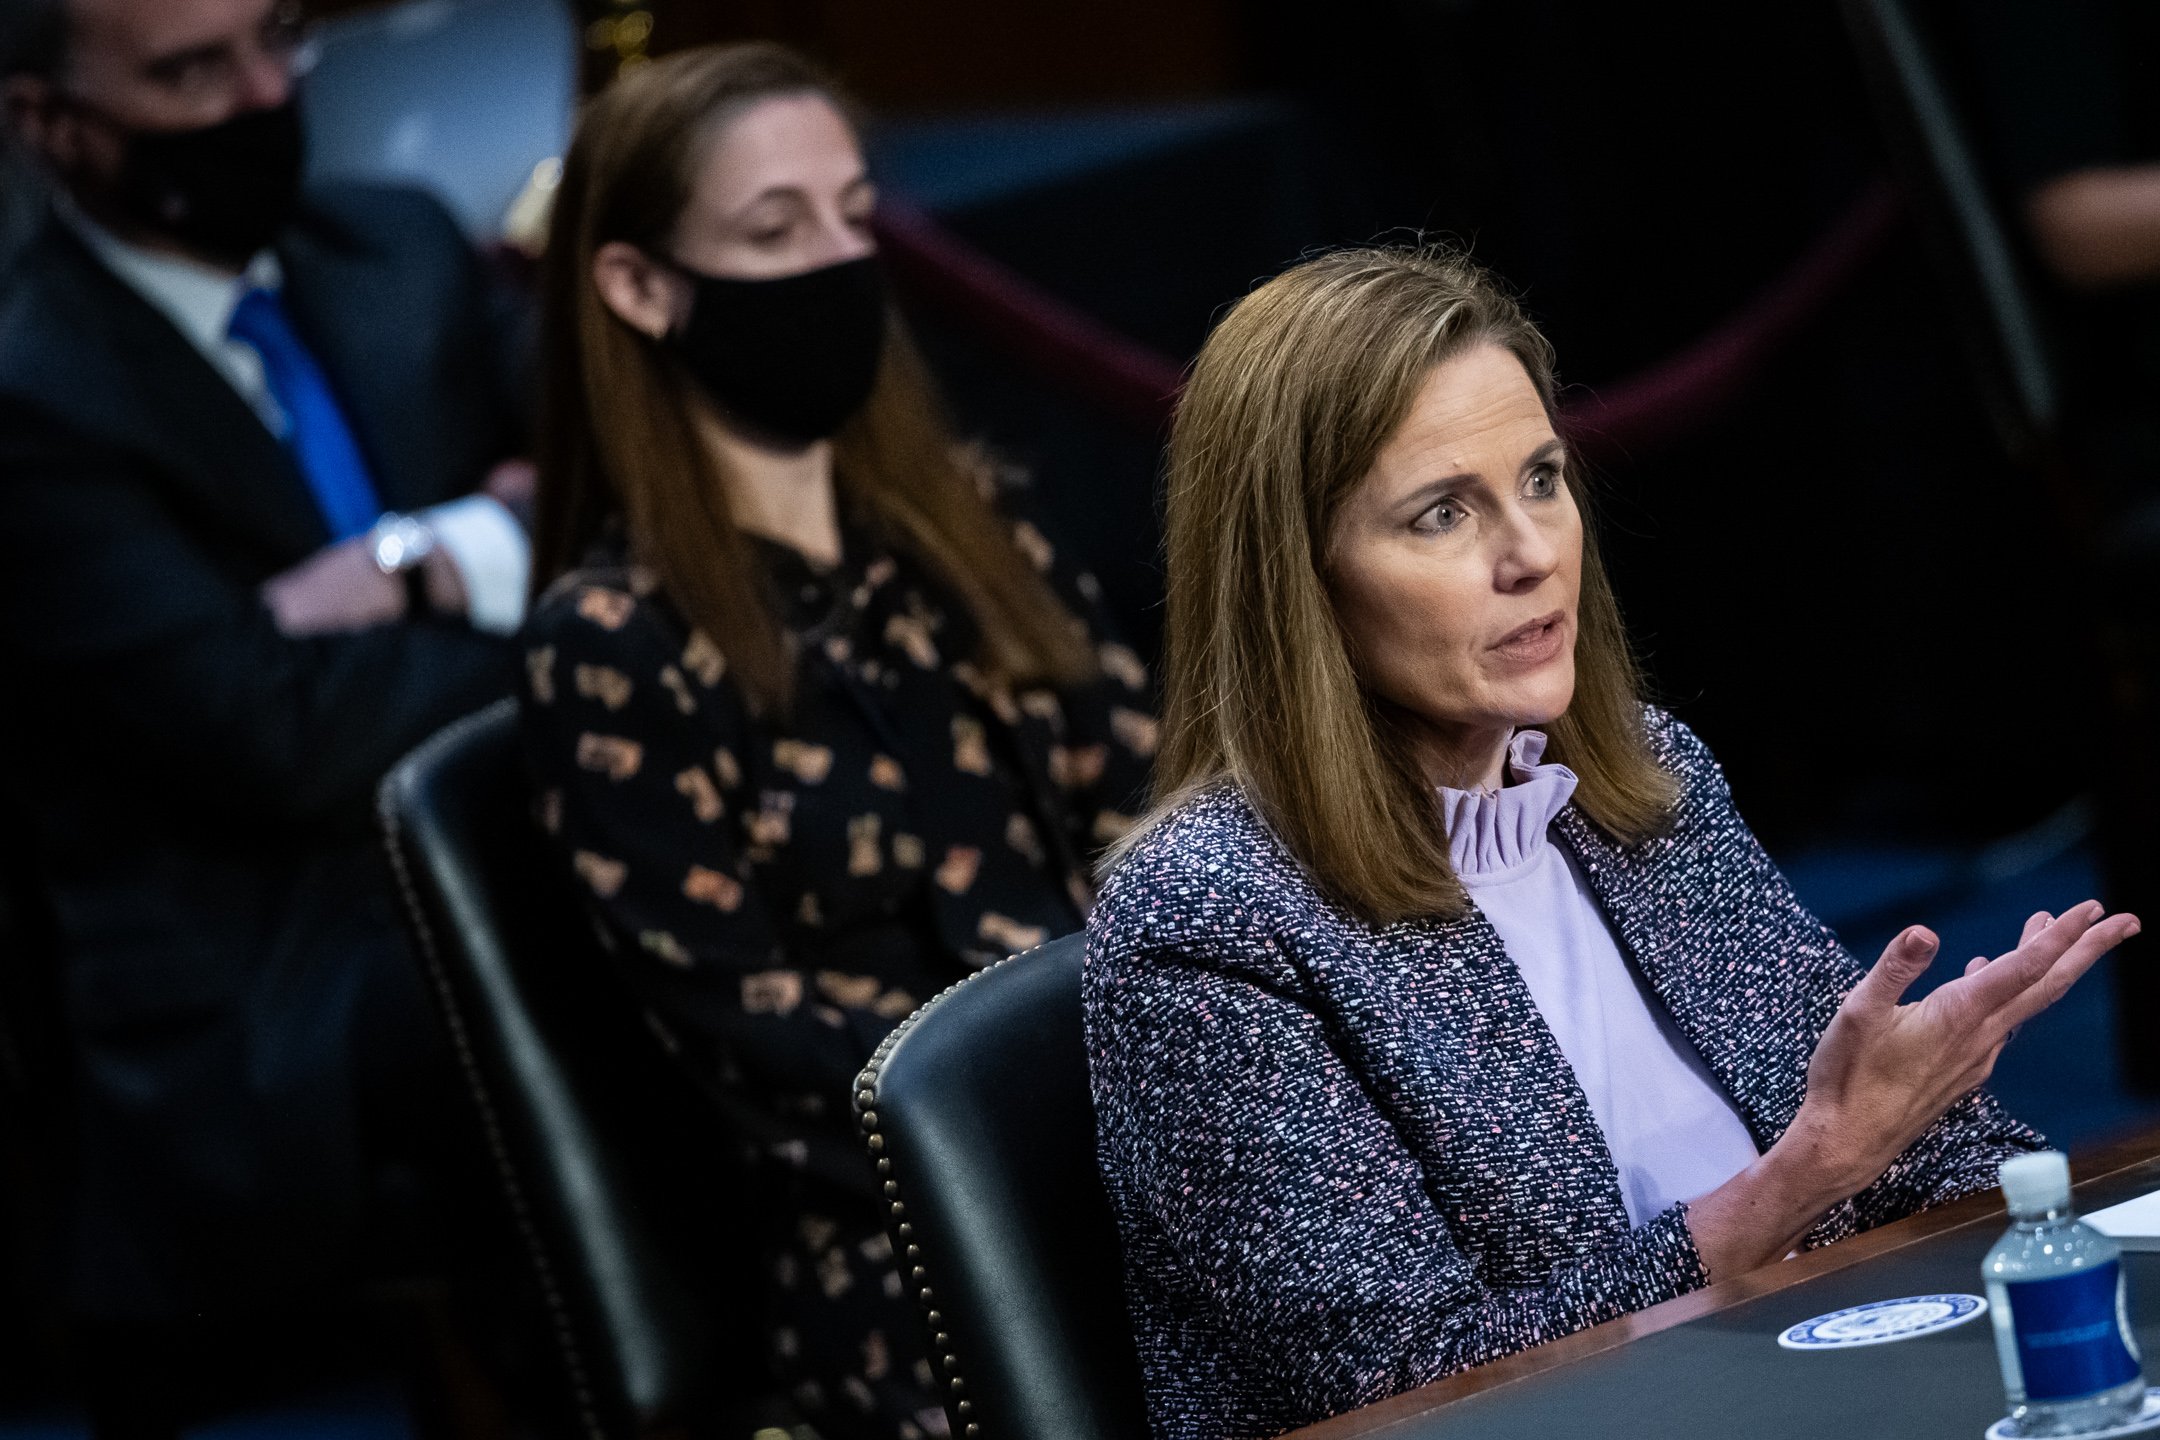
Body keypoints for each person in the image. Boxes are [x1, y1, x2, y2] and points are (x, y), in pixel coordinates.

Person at [1083, 245, 2139, 1440]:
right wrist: (1797, 1185)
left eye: (1540, 479)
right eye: (1443, 513)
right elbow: (1402, 1391)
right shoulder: (1211, 919)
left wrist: (1992, 1168)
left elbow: (1903, 1156)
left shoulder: (1642, 781)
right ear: (1299, 581)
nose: (1531, 553)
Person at [518, 42, 1154, 1440]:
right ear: (638, 287)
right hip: (925, 1239)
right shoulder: (610, 644)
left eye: (853, 215)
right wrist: (1089, 1145)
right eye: (773, 229)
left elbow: (1167, 827)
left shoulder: (976, 526)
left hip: (1166, 1146)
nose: (834, 259)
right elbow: (766, 1057)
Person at [0, 0, 531, 1408]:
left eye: (274, 40)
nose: (258, 94)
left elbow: (612, 524)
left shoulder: (396, 245)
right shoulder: (32, 394)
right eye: (189, 73)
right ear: (49, 125)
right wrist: (517, 585)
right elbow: (273, 732)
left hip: (491, 840)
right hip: (266, 980)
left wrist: (422, 563)